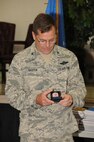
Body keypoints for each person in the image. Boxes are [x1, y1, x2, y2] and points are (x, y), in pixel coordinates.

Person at [5, 13, 86, 142]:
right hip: (33, 132)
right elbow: (11, 93)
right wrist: (35, 100)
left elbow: (80, 88)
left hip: (63, 131)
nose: (47, 45)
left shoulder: (68, 57)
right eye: (42, 40)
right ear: (33, 36)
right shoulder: (21, 60)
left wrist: (72, 98)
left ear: (56, 34)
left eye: (52, 40)